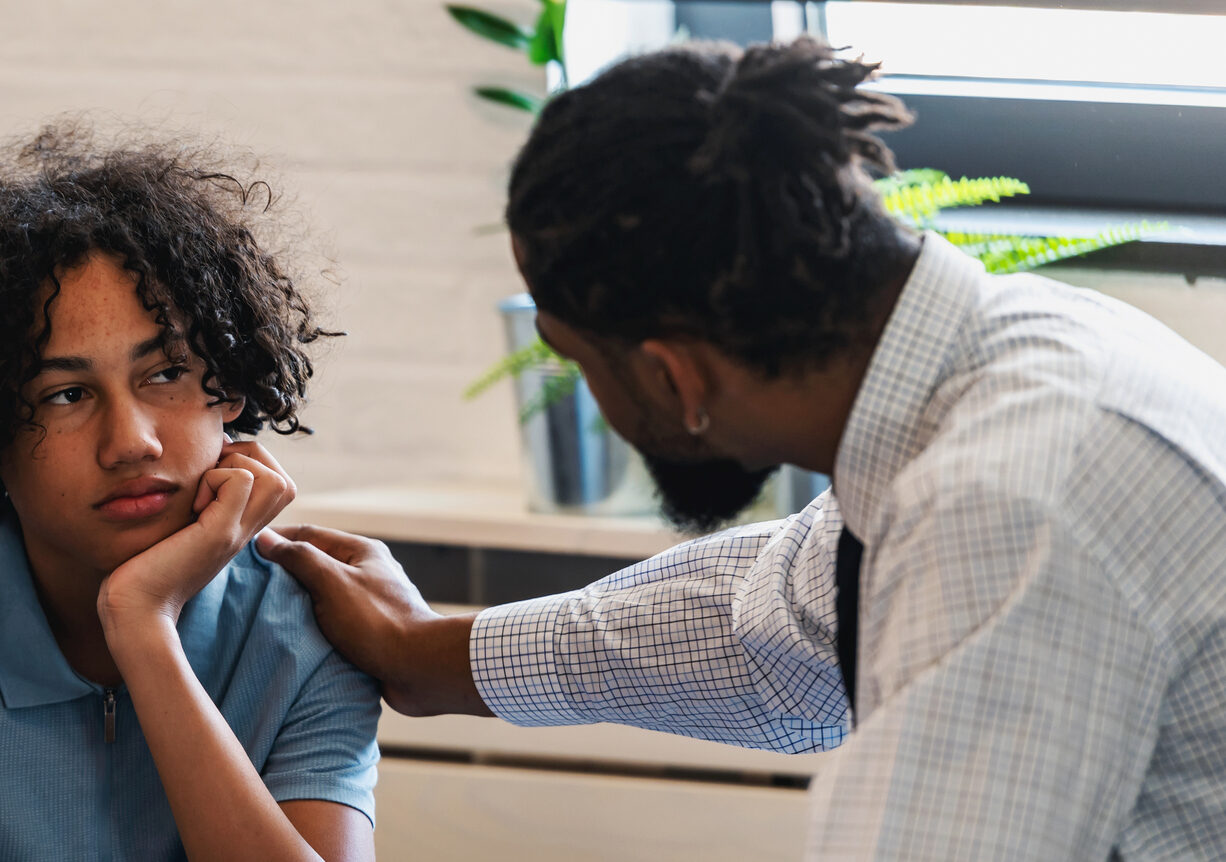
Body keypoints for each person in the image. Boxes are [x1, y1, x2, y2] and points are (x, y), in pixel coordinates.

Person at [257, 37, 1226, 859]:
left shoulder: (1008, 502)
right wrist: (436, 654)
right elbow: (773, 633)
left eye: (576, 360)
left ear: (674, 377)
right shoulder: (989, 366)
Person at [0, 126, 378, 862]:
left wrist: (143, 626)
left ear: (229, 390)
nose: (132, 442)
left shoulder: (308, 628)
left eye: (166, 374)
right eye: (64, 394)